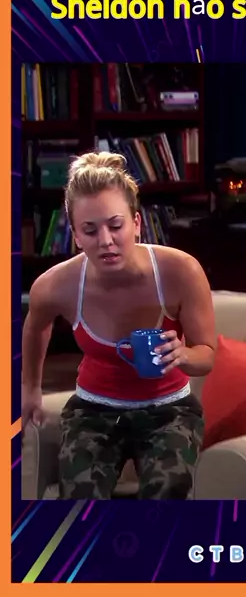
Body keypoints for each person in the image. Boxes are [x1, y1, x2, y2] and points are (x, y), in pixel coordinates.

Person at [22, 152, 216, 500]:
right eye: (90, 230)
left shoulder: (180, 271)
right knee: (80, 495)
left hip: (169, 409)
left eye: (116, 225)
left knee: (166, 491)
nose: (106, 241)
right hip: (93, 409)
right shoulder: (55, 285)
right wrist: (30, 387)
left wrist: (184, 355)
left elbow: (207, 356)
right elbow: (36, 327)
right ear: (76, 235)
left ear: (137, 223)